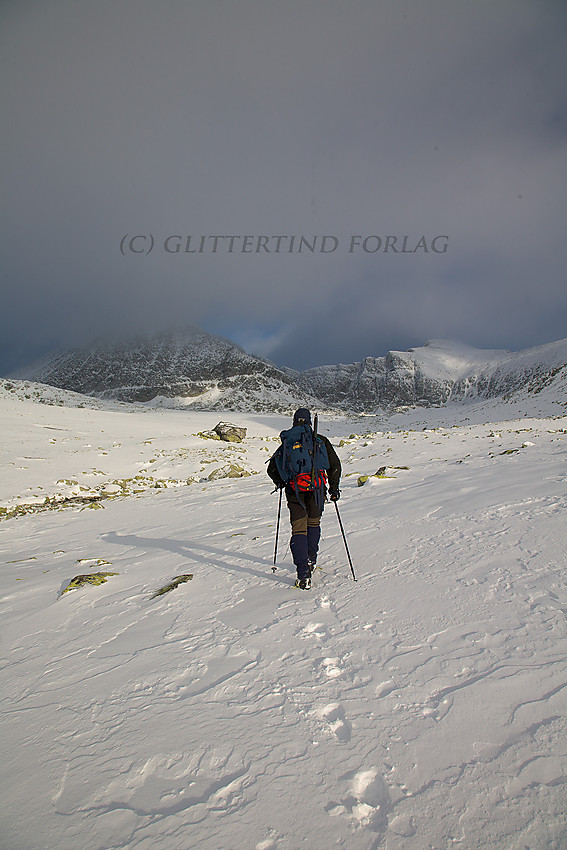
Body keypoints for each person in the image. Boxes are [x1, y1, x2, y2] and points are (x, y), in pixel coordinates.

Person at [268, 408, 341, 589]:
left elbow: (272, 469)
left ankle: (303, 574)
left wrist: (283, 482)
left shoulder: (287, 441)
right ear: (309, 421)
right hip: (317, 491)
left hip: (295, 493)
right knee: (314, 525)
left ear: (294, 421)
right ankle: (311, 560)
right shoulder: (320, 440)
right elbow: (334, 465)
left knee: (299, 530)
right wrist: (334, 488)